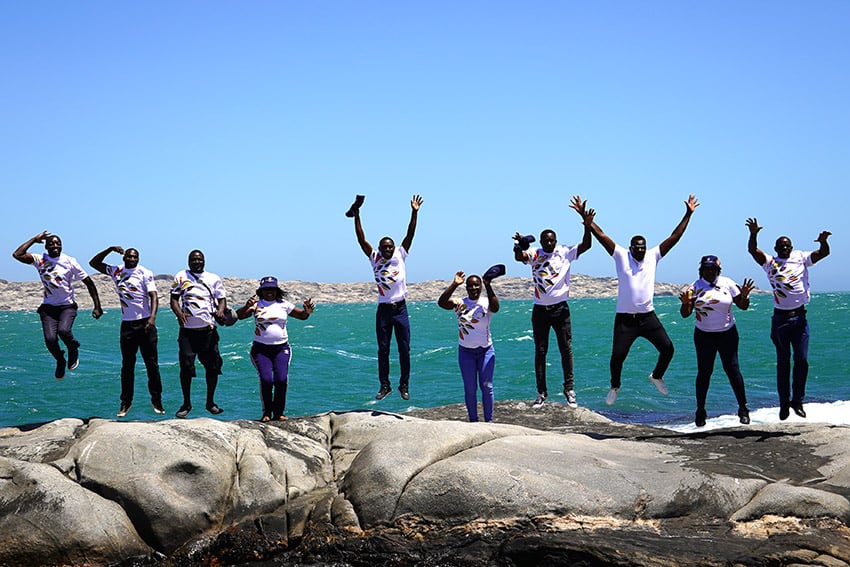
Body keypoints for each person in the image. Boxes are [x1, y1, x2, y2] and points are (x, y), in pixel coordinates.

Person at [587, 195, 700, 405]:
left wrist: (688, 214)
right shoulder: (621, 255)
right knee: (617, 357)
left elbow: (674, 237)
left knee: (668, 349)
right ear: (631, 248)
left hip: (647, 317)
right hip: (625, 320)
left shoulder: (653, 256)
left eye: (642, 247)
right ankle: (615, 387)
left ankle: (657, 376)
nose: (640, 250)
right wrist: (586, 219)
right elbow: (601, 235)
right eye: (636, 247)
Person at [512, 195, 594, 408]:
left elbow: (587, 244)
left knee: (565, 349)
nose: (549, 243)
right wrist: (518, 245)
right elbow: (519, 257)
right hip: (540, 310)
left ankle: (569, 389)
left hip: (561, 309)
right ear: (541, 242)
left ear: (555, 240)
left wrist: (587, 225)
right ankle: (541, 393)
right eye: (545, 240)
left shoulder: (565, 252)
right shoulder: (535, 253)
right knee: (540, 351)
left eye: (552, 240)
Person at [745, 218, 832, 420]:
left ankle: (798, 401)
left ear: (791, 247)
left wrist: (823, 241)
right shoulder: (770, 263)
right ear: (776, 248)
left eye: (787, 246)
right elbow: (753, 251)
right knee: (783, 363)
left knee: (801, 360)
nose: (784, 248)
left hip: (800, 318)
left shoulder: (801, 257)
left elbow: (824, 253)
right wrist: (753, 233)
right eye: (781, 246)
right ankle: (784, 403)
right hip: (780, 320)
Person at [351, 194, 423, 401]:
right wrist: (357, 215)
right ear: (380, 249)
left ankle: (404, 385)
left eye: (390, 246)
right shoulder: (374, 258)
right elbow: (360, 238)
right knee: (383, 350)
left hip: (400, 309)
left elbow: (411, 233)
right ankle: (385, 386)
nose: (388, 249)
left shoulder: (401, 254)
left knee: (404, 350)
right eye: (385, 247)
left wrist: (414, 212)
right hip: (383, 310)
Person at [12, 231, 103, 379]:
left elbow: (89, 282)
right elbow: (17, 254)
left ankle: (73, 348)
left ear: (61, 245)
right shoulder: (40, 259)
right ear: (46, 246)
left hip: (67, 306)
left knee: (64, 331)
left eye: (57, 243)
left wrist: (97, 306)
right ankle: (60, 360)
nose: (54, 245)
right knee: (50, 340)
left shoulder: (69, 261)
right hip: (48, 308)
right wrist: (34, 239)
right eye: (51, 243)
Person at [679, 255, 755, 427]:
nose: (710, 271)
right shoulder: (694, 288)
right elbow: (685, 314)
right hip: (704, 335)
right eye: (706, 268)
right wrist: (685, 303)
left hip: (727, 333)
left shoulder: (728, 283)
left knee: (733, 369)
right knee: (704, 372)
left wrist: (744, 296)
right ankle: (700, 410)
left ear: (718, 270)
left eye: (713, 268)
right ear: (701, 270)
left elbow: (743, 306)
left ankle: (743, 409)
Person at [89, 246, 164, 417]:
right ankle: (125, 402)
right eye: (129, 257)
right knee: (127, 366)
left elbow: (153, 296)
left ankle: (157, 399)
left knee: (151, 365)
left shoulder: (145, 273)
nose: (131, 259)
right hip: (127, 325)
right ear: (124, 258)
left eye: (134, 257)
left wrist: (152, 318)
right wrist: (109, 249)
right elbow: (94, 263)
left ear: (138, 259)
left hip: (145, 324)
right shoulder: (117, 271)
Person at [236, 277, 315, 422]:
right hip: (261, 350)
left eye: (272, 289)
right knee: (266, 380)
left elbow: (302, 316)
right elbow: (240, 316)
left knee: (281, 379)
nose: (269, 292)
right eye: (266, 290)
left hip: (281, 349)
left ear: (277, 291)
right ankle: (267, 412)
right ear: (261, 291)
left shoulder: (284, 305)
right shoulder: (256, 305)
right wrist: (246, 306)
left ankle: (278, 413)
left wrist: (307, 311)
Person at [169, 249, 229, 418]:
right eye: (193, 260)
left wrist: (221, 311)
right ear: (188, 261)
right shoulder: (181, 276)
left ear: (204, 261)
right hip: (187, 333)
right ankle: (186, 404)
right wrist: (179, 314)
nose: (197, 262)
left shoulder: (213, 278)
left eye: (199, 259)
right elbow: (174, 299)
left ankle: (210, 402)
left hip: (208, 332)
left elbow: (221, 298)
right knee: (186, 367)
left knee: (213, 367)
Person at [438, 268, 501, 422]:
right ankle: (473, 421)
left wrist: (488, 284)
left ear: (480, 286)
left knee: (487, 387)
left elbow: (496, 308)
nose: (474, 288)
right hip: (466, 352)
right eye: (471, 286)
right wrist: (454, 284)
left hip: (486, 351)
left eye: (477, 285)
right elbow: (441, 303)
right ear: (466, 288)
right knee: (470, 389)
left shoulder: (486, 303)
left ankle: (489, 421)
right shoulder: (460, 303)